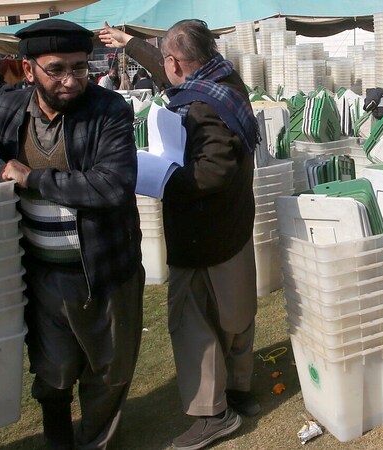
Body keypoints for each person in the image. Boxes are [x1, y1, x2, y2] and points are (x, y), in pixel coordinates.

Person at [101, 19, 261, 450]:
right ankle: (242, 389)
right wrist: (130, 43)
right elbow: (166, 65)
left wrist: (161, 179)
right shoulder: (222, 79)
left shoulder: (202, 106)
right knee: (236, 311)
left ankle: (212, 415)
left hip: (201, 231)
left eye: (168, 59)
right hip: (234, 224)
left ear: (177, 62)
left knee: (191, 322)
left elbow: (211, 171)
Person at [0, 19, 144, 450]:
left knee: (109, 374)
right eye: (56, 69)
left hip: (106, 271)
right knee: (52, 372)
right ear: (27, 70)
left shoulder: (109, 109)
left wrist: (32, 178)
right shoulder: (4, 111)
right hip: (42, 275)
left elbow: (112, 185)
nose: (71, 80)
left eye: (79, 67)